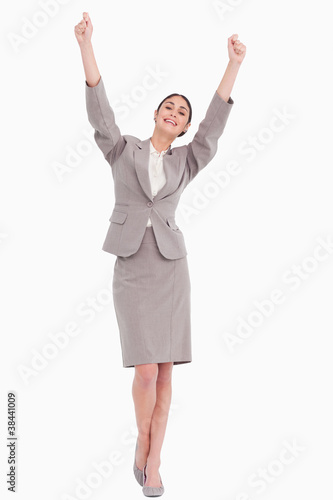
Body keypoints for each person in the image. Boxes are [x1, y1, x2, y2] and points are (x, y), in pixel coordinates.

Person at [74, 11, 246, 497]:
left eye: (182, 113)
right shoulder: (122, 149)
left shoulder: (186, 160)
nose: (174, 113)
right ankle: (143, 443)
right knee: (145, 371)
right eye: (168, 107)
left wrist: (232, 65)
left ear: (185, 127)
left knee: (167, 372)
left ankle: (153, 463)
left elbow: (214, 128)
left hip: (172, 269)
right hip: (132, 267)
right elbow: (99, 112)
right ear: (155, 114)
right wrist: (86, 45)